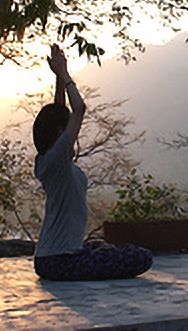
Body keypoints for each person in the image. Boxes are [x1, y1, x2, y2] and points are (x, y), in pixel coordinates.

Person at [32, 44, 152, 281]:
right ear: (59, 132)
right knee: (141, 257)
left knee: (100, 245)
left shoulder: (48, 160)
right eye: (66, 127)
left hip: (52, 257)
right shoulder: (57, 159)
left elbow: (61, 111)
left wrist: (57, 77)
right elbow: (79, 108)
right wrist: (65, 74)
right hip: (59, 261)